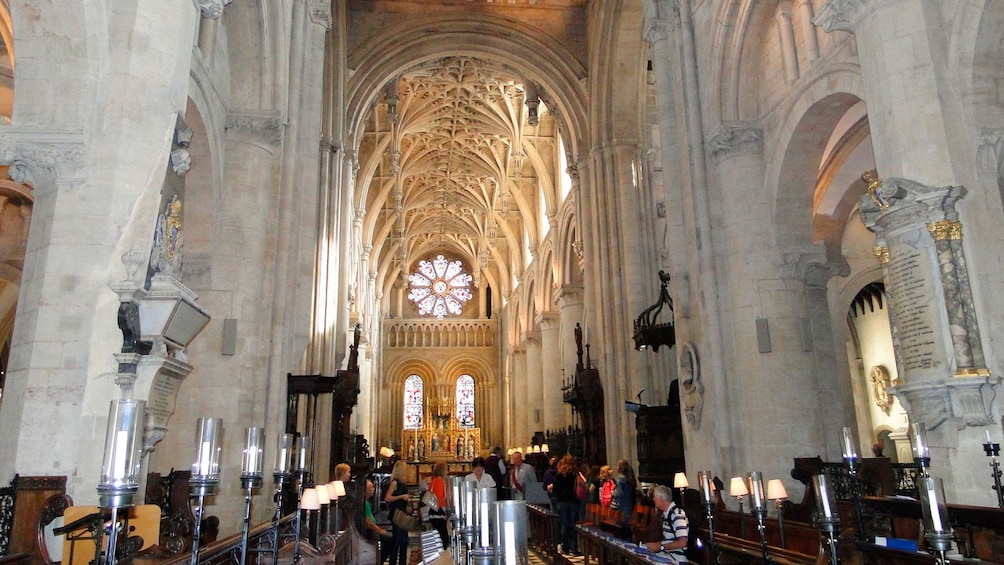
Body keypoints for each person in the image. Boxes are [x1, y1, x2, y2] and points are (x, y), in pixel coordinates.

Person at [643, 485, 688, 564]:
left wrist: (660, 547)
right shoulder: (665, 514)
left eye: (654, 497)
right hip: (668, 555)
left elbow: (682, 542)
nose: (653, 499)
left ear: (661, 498)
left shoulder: (677, 514)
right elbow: (669, 539)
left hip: (677, 559)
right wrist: (654, 545)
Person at [384, 461, 411, 565]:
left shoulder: (402, 483)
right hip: (396, 514)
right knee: (397, 541)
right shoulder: (394, 483)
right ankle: (393, 562)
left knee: (404, 541)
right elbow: (387, 498)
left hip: (402, 514)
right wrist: (401, 497)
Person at [553, 454, 580, 556]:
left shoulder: (559, 474)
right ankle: (573, 548)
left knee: (564, 524)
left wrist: (558, 496)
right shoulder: (575, 474)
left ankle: (565, 547)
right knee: (572, 525)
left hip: (562, 502)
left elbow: (555, 489)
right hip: (573, 501)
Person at [363, 479, 393, 563]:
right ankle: (379, 561)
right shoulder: (363, 504)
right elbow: (369, 523)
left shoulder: (367, 503)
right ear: (365, 490)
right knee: (389, 540)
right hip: (369, 532)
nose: (373, 490)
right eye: (371, 488)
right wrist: (380, 531)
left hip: (373, 530)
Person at [427, 461, 450, 550]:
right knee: (443, 538)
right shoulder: (440, 481)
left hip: (432, 511)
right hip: (438, 512)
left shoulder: (434, 480)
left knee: (438, 536)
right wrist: (445, 511)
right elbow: (440, 498)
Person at [612, 459, 637, 526]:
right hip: (629, 504)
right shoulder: (630, 478)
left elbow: (620, 493)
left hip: (621, 505)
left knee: (620, 525)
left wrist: (613, 492)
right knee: (627, 526)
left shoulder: (620, 478)